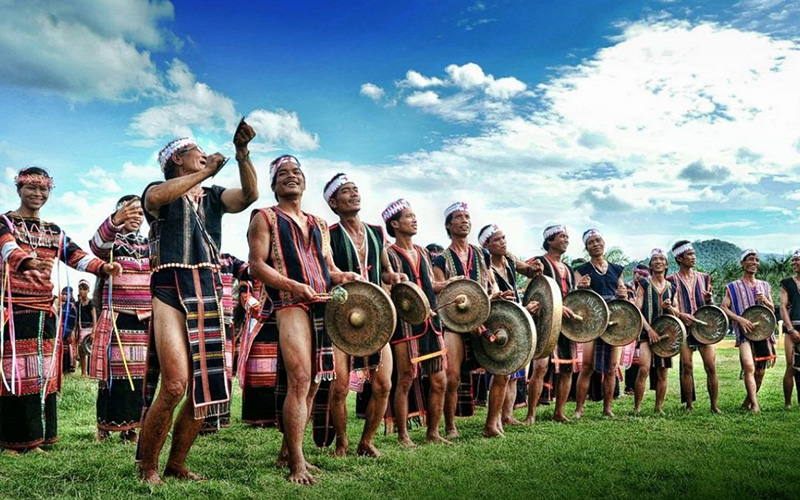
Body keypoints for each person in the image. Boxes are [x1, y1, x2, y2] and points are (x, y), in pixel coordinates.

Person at [137, 122, 258, 485]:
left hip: (206, 289)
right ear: (177, 158)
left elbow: (250, 195)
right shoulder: (159, 191)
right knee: (175, 384)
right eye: (196, 151)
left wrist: (242, 154)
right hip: (170, 290)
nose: (204, 155)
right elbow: (156, 199)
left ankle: (177, 464)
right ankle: (147, 467)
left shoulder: (212, 195)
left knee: (203, 389)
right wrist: (206, 171)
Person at [247, 154, 359, 485]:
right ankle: (298, 462)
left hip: (322, 303)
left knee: (312, 384)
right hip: (289, 302)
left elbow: (328, 265)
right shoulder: (264, 217)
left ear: (305, 182)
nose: (291, 176)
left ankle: (288, 451)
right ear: (273, 184)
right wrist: (294, 285)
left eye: (297, 172)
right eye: (283, 173)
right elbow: (256, 265)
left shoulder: (319, 224)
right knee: (300, 379)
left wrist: (342, 276)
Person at [0, 167, 121, 454]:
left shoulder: (53, 231)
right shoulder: (5, 222)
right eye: (31, 188)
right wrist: (28, 262)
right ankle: (13, 442)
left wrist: (102, 268)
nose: (37, 194)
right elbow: (6, 249)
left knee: (42, 376)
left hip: (46, 312)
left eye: (43, 189)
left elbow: (76, 256)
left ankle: (39, 438)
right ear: (19, 189)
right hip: (16, 312)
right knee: (16, 374)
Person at [323, 173, 402, 457]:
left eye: (356, 189)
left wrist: (393, 275)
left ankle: (366, 441)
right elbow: (325, 272)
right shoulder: (328, 234)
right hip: (342, 318)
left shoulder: (376, 232)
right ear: (333, 202)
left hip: (377, 315)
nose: (354, 194)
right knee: (340, 387)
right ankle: (342, 442)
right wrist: (339, 276)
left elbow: (385, 268)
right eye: (346, 191)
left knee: (383, 384)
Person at [383, 199, 451, 446]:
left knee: (440, 380)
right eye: (409, 216)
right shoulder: (388, 253)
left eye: (415, 216)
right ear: (395, 223)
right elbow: (386, 287)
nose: (415, 220)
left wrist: (452, 285)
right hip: (405, 325)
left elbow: (430, 285)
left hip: (432, 322)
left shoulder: (423, 251)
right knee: (404, 379)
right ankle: (403, 435)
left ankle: (433, 433)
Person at [431, 202, 500, 438]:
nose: (464, 221)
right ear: (449, 225)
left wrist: (496, 294)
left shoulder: (482, 254)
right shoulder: (441, 259)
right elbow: (439, 295)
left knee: (502, 366)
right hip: (453, 322)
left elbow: (491, 284)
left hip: (482, 316)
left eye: (467, 217)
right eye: (458, 217)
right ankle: (450, 427)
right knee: (453, 376)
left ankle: (492, 424)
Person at [88, 194, 151, 443]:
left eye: (140, 212)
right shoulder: (111, 244)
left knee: (139, 376)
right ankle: (104, 427)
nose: (135, 216)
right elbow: (95, 246)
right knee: (112, 376)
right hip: (117, 317)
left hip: (144, 320)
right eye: (130, 211)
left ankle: (132, 428)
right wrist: (115, 221)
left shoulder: (149, 244)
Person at [479, 224, 541, 429]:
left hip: (515, 318)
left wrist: (536, 267)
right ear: (487, 245)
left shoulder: (510, 260)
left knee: (514, 374)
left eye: (504, 237)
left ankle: (507, 416)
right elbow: (484, 294)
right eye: (497, 239)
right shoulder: (485, 265)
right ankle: (494, 420)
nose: (503, 242)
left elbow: (529, 270)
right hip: (497, 320)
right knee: (502, 372)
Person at [525, 224, 579, 424]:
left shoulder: (570, 269)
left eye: (567, 237)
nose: (566, 240)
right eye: (562, 236)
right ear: (550, 240)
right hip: (545, 322)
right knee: (540, 366)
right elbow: (534, 288)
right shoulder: (539, 262)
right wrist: (555, 307)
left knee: (567, 368)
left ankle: (560, 412)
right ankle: (531, 414)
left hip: (566, 323)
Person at [574, 229, 627, 419]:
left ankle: (607, 408)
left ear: (603, 243)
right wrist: (581, 287)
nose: (595, 244)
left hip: (613, 320)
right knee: (587, 366)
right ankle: (579, 409)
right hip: (592, 320)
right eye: (591, 242)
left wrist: (623, 294)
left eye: (598, 240)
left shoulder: (616, 269)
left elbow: (623, 292)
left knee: (612, 368)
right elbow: (577, 296)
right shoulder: (582, 270)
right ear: (587, 248)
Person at [666, 240, 720, 413]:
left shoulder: (704, 278)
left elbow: (711, 304)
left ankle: (714, 405)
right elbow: (668, 306)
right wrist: (681, 315)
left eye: (694, 254)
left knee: (710, 366)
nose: (693, 257)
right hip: (683, 328)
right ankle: (689, 405)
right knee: (687, 366)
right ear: (679, 258)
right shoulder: (671, 281)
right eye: (689, 254)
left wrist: (710, 300)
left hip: (703, 327)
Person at [721, 249, 777, 413]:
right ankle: (755, 405)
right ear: (742, 263)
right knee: (748, 366)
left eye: (757, 260)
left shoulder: (765, 286)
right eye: (750, 259)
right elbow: (724, 307)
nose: (754, 262)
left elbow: (773, 309)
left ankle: (747, 401)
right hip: (744, 333)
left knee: (760, 372)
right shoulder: (732, 287)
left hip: (764, 334)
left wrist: (765, 300)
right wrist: (740, 319)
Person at [200, 252, 249, 434]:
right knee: (203, 372)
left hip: (225, 323)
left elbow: (249, 271)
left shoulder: (228, 260)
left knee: (224, 372)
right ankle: (201, 421)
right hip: (200, 321)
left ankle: (219, 419)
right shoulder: (195, 255)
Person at [633, 249, 677, 415]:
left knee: (662, 372)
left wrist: (670, 307)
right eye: (655, 259)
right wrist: (649, 329)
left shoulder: (672, 287)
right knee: (643, 369)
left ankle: (658, 408)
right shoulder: (643, 284)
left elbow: (676, 312)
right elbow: (637, 310)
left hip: (665, 334)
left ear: (666, 264)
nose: (658, 261)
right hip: (647, 333)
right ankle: (637, 407)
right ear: (651, 265)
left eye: (661, 259)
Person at [779, 249, 800, 409]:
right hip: (793, 325)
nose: (794, 263)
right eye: (793, 260)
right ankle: (788, 403)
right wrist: (791, 329)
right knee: (791, 365)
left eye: (797, 260)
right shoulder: (786, 283)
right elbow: (783, 307)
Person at [76, 279, 96, 376]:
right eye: (80, 289)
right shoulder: (77, 304)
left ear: (88, 291)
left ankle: (91, 372)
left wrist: (93, 332)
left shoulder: (91, 303)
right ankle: (83, 373)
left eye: (84, 289)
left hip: (89, 328)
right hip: (81, 328)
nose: (82, 291)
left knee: (90, 350)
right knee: (81, 350)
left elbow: (94, 318)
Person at [59, 286, 78, 374]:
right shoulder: (62, 306)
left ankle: (67, 370)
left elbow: (72, 321)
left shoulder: (71, 307)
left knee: (68, 350)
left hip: (68, 331)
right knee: (63, 350)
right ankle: (62, 369)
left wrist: (69, 333)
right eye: (62, 294)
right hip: (62, 331)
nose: (63, 296)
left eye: (66, 294)